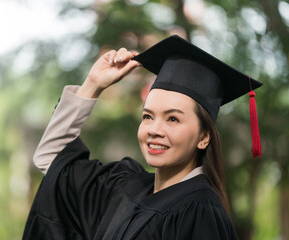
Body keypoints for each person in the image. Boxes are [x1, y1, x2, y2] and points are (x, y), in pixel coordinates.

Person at [22, 35, 262, 240]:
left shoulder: (200, 212)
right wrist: (92, 85)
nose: (154, 129)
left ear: (204, 137)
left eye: (173, 119)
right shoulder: (124, 187)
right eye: (148, 116)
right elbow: (53, 160)